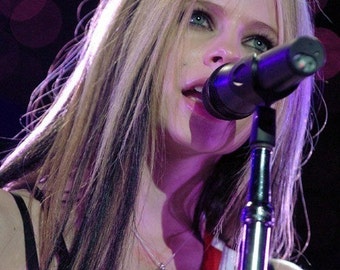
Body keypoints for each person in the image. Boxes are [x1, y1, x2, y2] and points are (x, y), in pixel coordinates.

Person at [0, 0, 319, 269]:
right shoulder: (10, 229)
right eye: (199, 18)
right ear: (136, 33)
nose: (230, 55)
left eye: (259, 43)